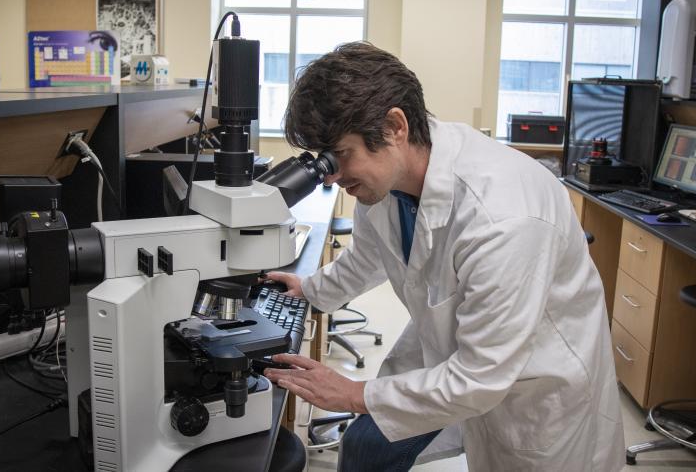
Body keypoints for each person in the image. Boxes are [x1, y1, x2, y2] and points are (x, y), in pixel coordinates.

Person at [262, 42, 625, 472]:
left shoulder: (501, 216)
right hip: (450, 351)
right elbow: (370, 256)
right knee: (367, 444)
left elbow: (481, 377)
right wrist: (311, 290)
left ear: (394, 126)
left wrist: (353, 393)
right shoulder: (388, 184)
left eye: (340, 156)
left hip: (534, 391)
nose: (334, 176)